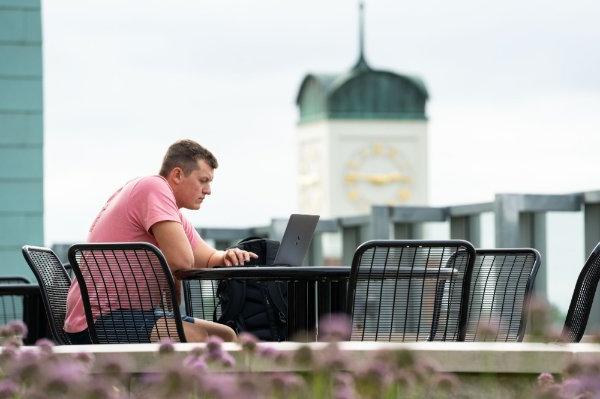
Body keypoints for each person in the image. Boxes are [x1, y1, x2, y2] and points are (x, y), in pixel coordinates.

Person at [64, 139, 257, 343]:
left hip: (134, 315)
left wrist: (228, 255)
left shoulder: (168, 210)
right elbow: (183, 261)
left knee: (226, 336)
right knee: (195, 337)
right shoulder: (153, 188)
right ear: (177, 175)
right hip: (98, 319)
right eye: (203, 180)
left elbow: (208, 257)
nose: (208, 190)